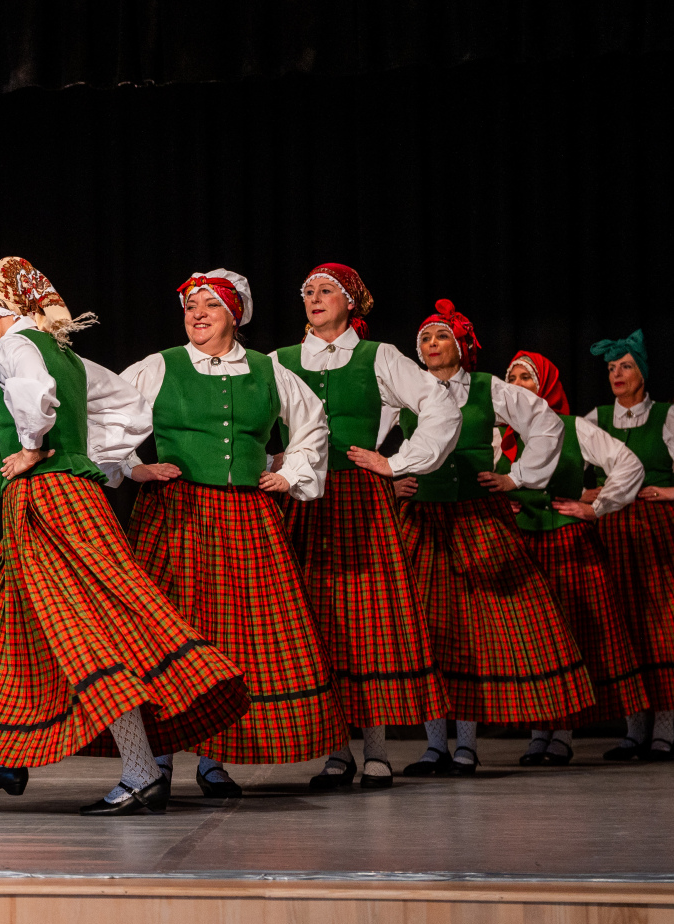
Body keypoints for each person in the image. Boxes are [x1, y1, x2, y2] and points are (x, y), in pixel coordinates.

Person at [0, 257, 249, 816]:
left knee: (89, 634)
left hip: (49, 499)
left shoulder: (16, 345)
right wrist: (92, 458)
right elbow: (129, 406)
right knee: (13, 625)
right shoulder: (61, 351)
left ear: (0, 308)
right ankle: (6, 753)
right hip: (66, 497)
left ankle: (141, 773)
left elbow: (36, 396)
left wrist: (34, 446)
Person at [116, 268, 346, 799]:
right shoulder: (160, 365)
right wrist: (133, 466)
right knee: (167, 633)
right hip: (177, 513)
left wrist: (290, 474)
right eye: (190, 306)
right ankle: (158, 759)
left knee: (235, 635)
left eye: (210, 305)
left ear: (234, 314)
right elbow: (103, 414)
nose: (197, 314)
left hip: (246, 515)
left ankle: (214, 760)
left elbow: (313, 424)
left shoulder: (267, 369)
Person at [272, 264, 459, 790]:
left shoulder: (379, 356)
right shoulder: (280, 361)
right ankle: (337, 753)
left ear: (351, 301)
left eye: (326, 290)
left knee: (367, 618)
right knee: (316, 620)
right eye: (307, 291)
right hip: (304, 498)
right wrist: (274, 461)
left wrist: (397, 462)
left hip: (358, 496)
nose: (314, 298)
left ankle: (376, 751)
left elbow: (440, 405)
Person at [395, 300, 594, 776]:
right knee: (428, 632)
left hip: (477, 520)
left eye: (441, 336)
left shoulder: (489, 388)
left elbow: (547, 425)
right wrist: (392, 474)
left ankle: (466, 746)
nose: (432, 344)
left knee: (474, 631)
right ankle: (434, 747)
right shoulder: (406, 389)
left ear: (462, 346)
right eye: (425, 338)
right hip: (423, 520)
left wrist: (516, 477)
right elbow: (367, 435)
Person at [500, 351, 646, 765]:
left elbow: (628, 465)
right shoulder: (500, 436)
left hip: (567, 544)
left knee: (578, 636)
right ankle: (538, 733)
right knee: (535, 644)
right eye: (511, 377)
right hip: (522, 546)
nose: (516, 384)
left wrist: (595, 507)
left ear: (544, 386)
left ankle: (563, 735)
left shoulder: (573, 427)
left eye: (525, 378)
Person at [586, 330, 674, 761]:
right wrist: (587, 494)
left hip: (657, 531)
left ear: (642, 372)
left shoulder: (667, 416)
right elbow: (565, 463)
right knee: (621, 626)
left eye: (625, 366)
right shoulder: (596, 419)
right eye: (611, 368)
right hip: (612, 531)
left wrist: (668, 492)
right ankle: (634, 730)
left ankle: (666, 729)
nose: (617, 374)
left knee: (661, 625)